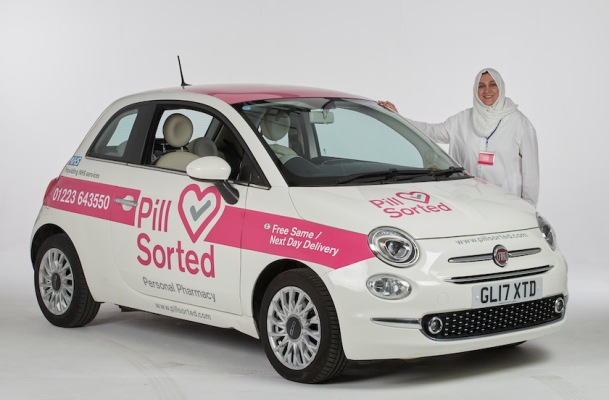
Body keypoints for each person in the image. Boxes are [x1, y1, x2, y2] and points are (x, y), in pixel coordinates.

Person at [379, 68, 539, 206]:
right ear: (475, 90)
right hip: (470, 203)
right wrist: (399, 118)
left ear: (501, 87)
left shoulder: (519, 124)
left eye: (493, 84)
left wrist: (528, 208)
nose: (487, 90)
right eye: (481, 86)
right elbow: (432, 131)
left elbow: (531, 174)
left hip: (505, 205)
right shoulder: (462, 120)